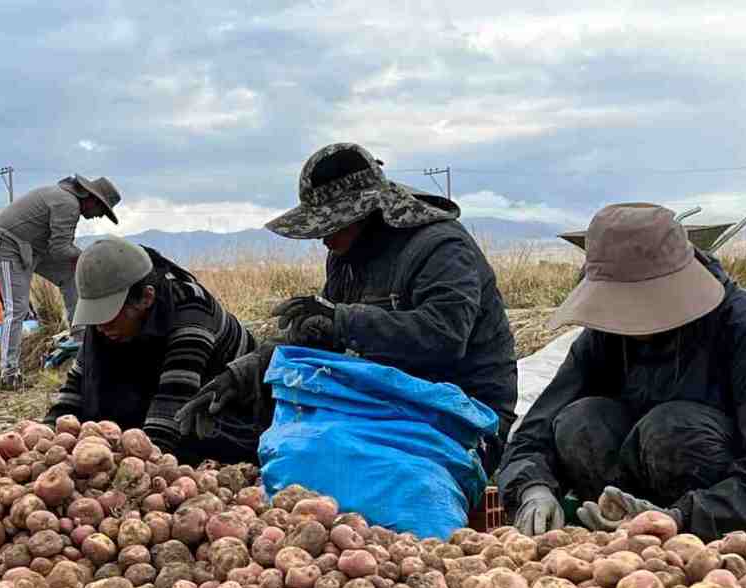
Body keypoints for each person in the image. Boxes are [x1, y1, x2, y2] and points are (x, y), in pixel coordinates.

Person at [499, 203, 746, 542]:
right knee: (581, 421)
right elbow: (535, 432)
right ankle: (628, 528)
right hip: (664, 479)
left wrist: (681, 517)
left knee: (672, 429)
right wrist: (532, 487)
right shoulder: (605, 337)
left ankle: (701, 536)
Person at [178, 142, 518, 474]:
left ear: (365, 214)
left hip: (464, 415)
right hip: (387, 400)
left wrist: (343, 321)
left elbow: (444, 336)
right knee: (242, 426)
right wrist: (242, 374)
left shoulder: (440, 247)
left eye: (331, 226)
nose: (322, 239)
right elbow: (317, 337)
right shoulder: (346, 256)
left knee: (334, 456)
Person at [44, 236, 259, 463]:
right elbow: (78, 383)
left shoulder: (191, 309)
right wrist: (46, 437)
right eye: (95, 316)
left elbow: (174, 401)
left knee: (190, 439)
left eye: (109, 315)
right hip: (165, 390)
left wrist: (141, 464)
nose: (101, 327)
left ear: (146, 297)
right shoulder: (107, 322)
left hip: (226, 407)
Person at [0, 175, 121, 389]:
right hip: (7, 244)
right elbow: (60, 249)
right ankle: (9, 373)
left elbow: (60, 249)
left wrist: (80, 261)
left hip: (33, 248)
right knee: (16, 308)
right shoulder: (67, 204)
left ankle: (80, 339)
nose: (99, 216)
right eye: (101, 211)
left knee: (71, 275)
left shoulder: (67, 201)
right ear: (93, 200)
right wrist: (89, 258)